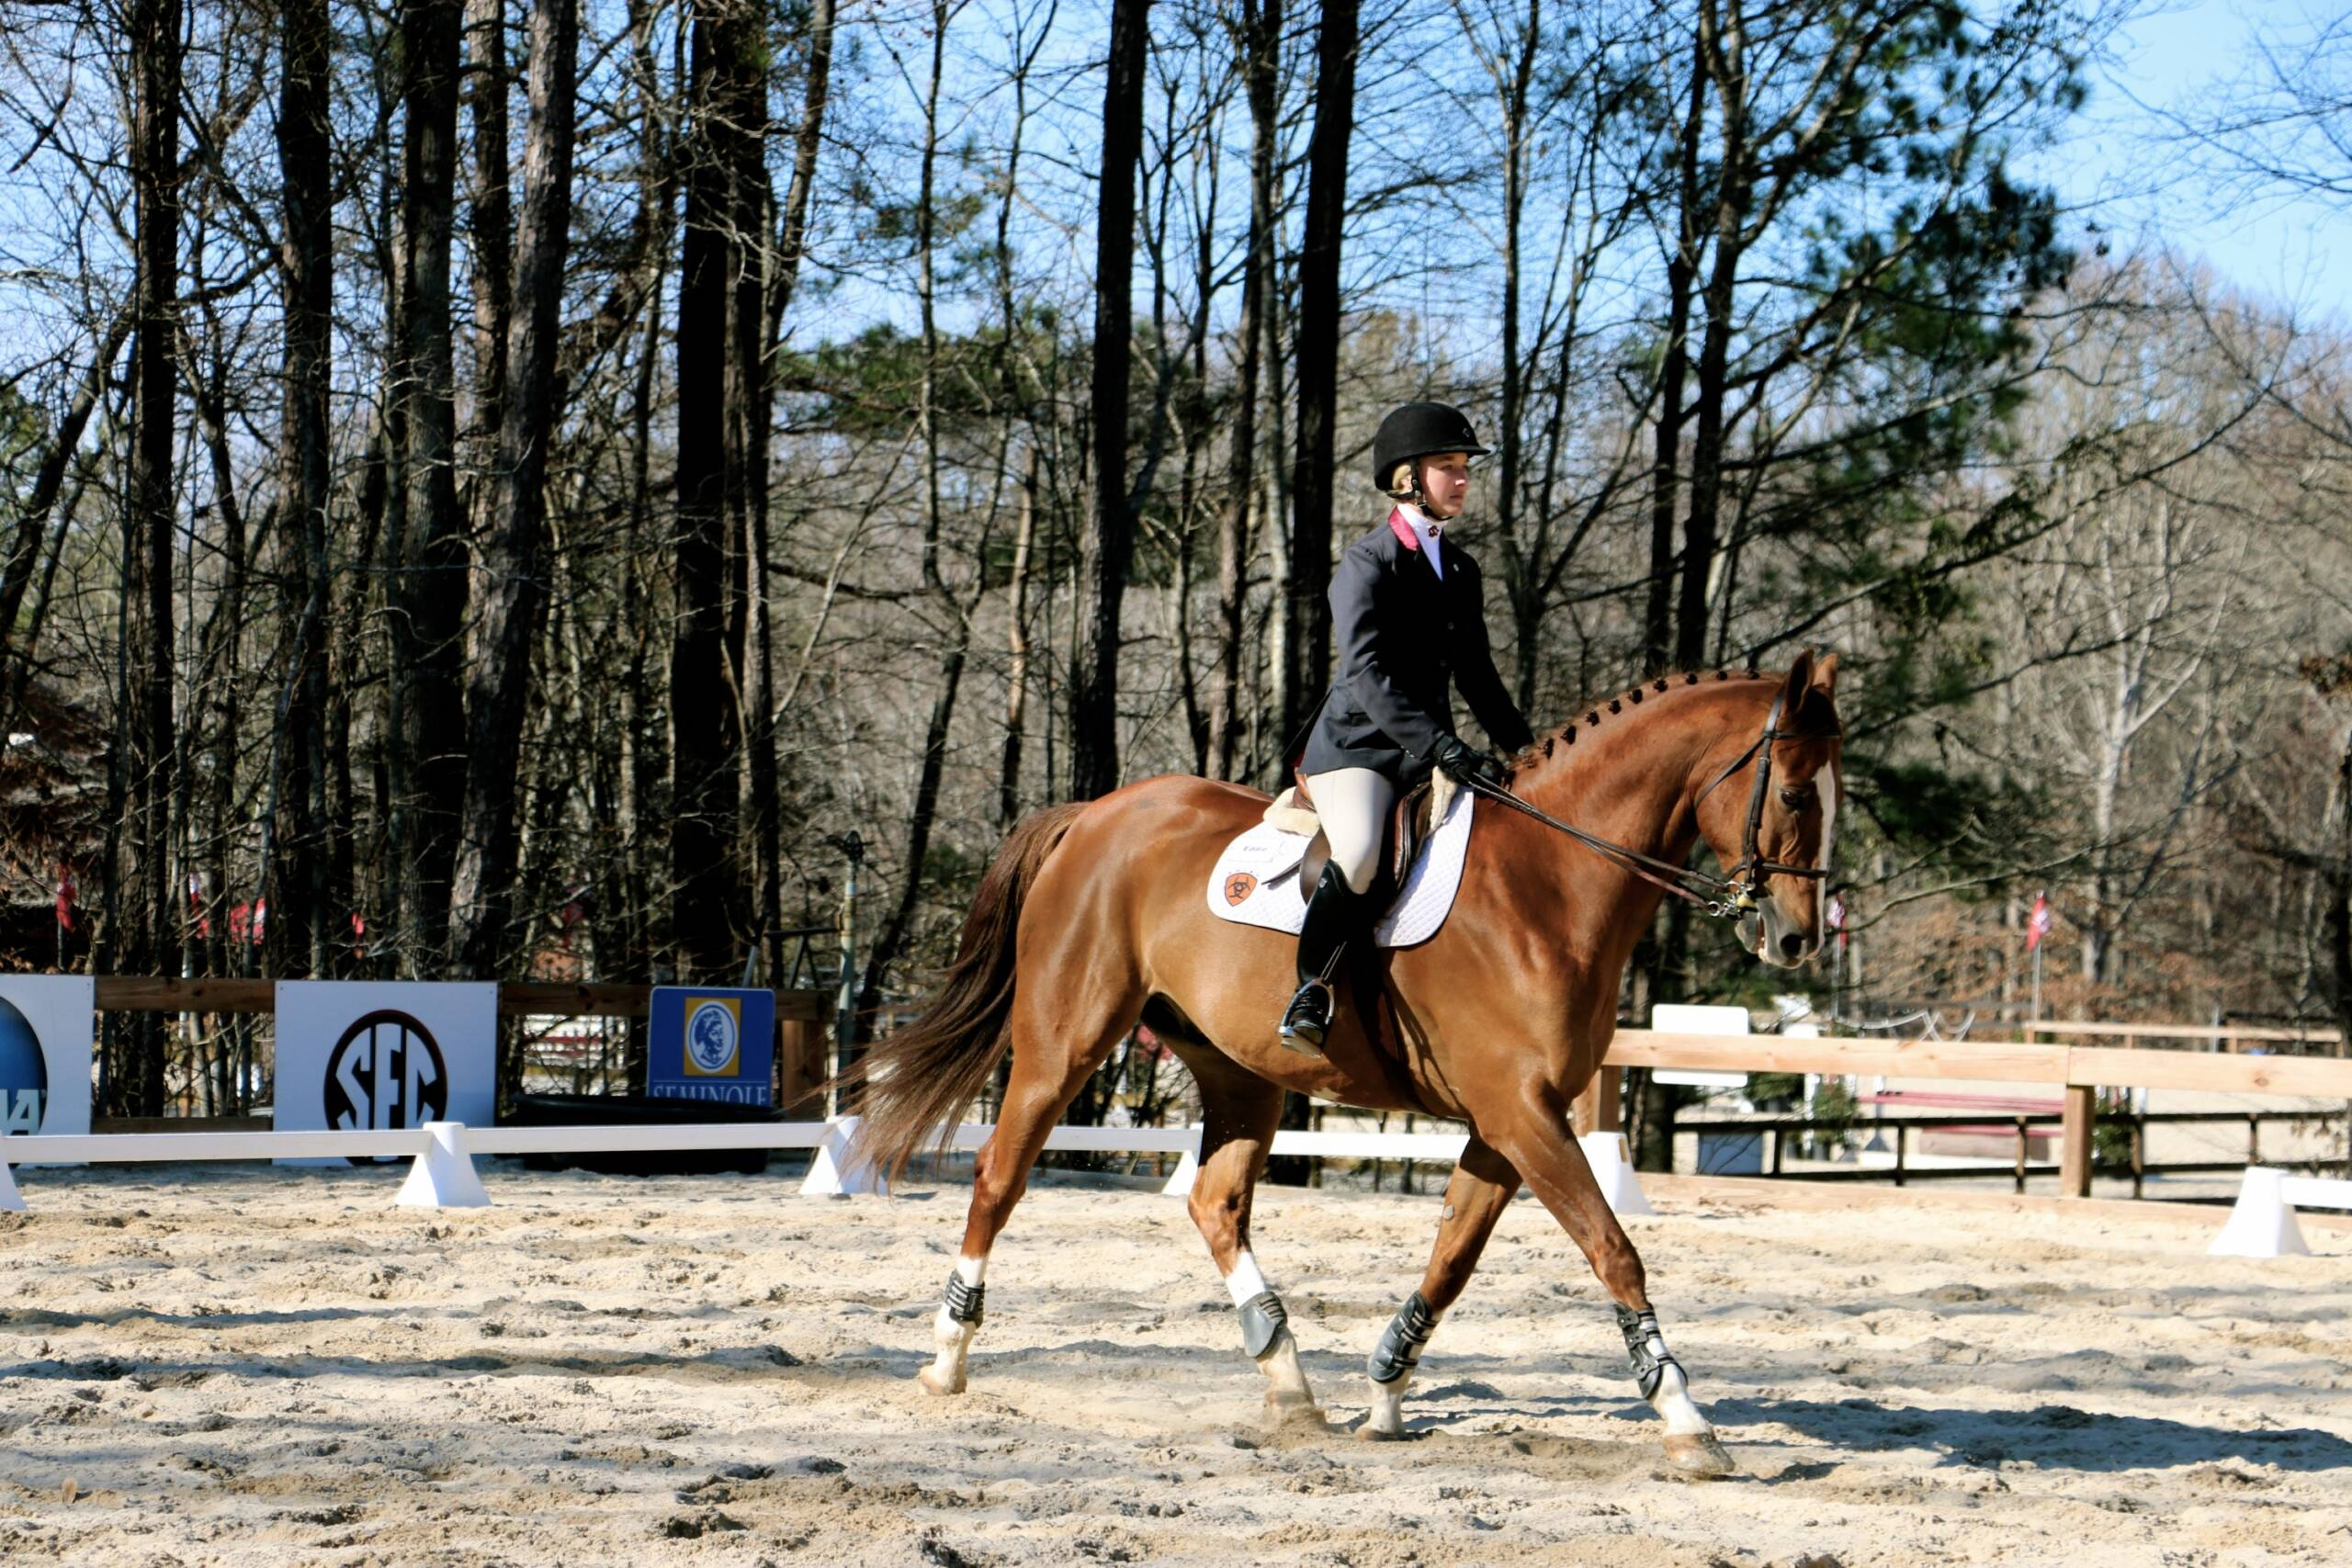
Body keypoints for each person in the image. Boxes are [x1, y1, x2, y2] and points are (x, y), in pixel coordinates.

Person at [1278, 400, 1536, 1055]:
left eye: (1464, 469)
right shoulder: (1368, 563)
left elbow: (1477, 676)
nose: (1462, 479)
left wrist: (1526, 749)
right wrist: (1440, 743)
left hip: (1427, 753)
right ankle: (1311, 989)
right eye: (1447, 467)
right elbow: (1365, 674)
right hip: (1358, 750)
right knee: (1362, 849)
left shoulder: (1462, 570)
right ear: (1406, 477)